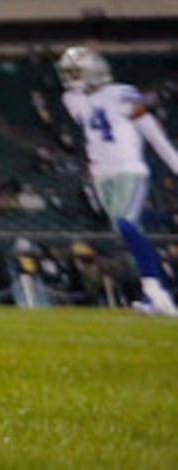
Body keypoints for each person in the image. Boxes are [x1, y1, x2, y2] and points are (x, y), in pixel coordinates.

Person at [56, 46, 178, 315]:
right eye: (68, 73)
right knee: (129, 232)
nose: (70, 78)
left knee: (127, 225)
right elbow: (83, 102)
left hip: (129, 169)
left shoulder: (123, 94)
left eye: (74, 72)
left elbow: (154, 136)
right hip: (101, 174)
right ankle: (154, 291)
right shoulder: (72, 99)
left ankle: (157, 293)